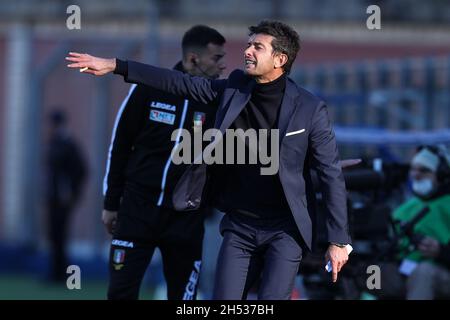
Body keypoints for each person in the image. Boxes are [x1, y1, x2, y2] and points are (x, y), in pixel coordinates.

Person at [66, 20, 351, 300]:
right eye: (249, 45)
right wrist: (117, 66)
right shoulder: (235, 88)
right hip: (240, 226)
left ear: (280, 59)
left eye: (258, 47)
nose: (247, 51)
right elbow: (177, 82)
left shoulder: (310, 109)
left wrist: (338, 240)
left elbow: (330, 174)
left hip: (285, 230)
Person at [101, 25, 226, 300]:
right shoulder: (150, 88)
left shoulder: (220, 101)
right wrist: (111, 203)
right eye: (217, 58)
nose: (223, 65)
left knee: (185, 300)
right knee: (120, 293)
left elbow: (226, 159)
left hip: (185, 220)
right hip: (137, 211)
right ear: (194, 59)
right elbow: (119, 145)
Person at [379, 145, 450, 300]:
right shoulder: (404, 209)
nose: (416, 175)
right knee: (370, 272)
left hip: (438, 271)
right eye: (413, 169)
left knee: (423, 272)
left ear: (442, 174)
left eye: (424, 170)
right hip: (405, 269)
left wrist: (441, 251)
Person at [45, 109, 87, 282]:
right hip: (53, 197)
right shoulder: (54, 142)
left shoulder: (68, 144)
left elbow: (81, 170)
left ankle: (64, 275)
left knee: (61, 236)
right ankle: (56, 272)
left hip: (63, 199)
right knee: (54, 235)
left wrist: (72, 192)